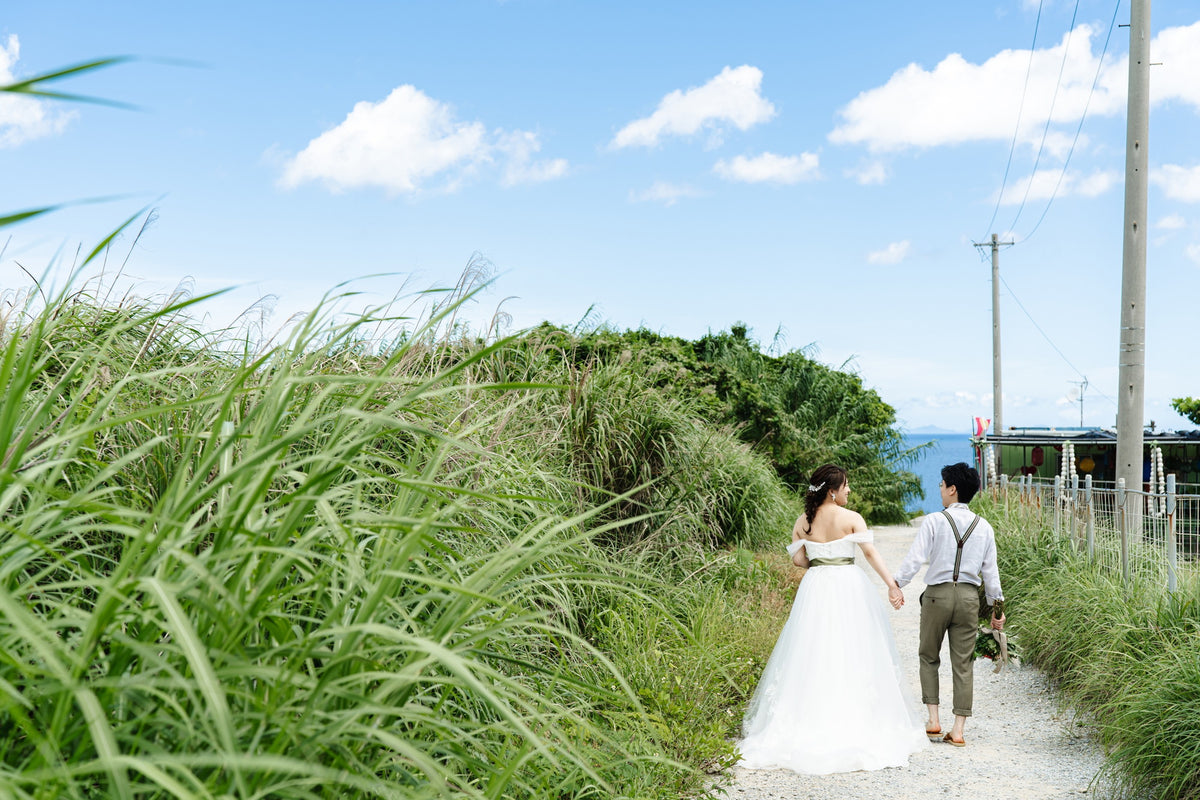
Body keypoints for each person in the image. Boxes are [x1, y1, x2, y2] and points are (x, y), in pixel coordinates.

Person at [738, 464, 928, 774]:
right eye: (846, 486)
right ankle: (853, 717)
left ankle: (809, 715)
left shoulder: (803, 521)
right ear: (832, 490)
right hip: (847, 584)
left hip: (816, 586)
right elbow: (870, 555)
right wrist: (892, 585)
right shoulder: (851, 519)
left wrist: (818, 557)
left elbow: (799, 559)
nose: (849, 490)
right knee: (853, 648)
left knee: (812, 649)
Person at [893, 462, 1005, 748]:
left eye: (942, 485)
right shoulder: (985, 527)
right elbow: (991, 573)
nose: (940, 490)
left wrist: (897, 584)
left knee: (929, 656)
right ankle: (958, 729)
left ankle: (933, 720)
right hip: (968, 598)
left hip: (936, 596)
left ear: (953, 489)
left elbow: (915, 560)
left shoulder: (933, 520)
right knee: (963, 663)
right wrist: (997, 611)